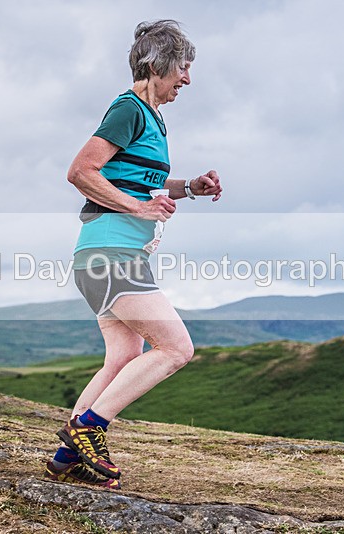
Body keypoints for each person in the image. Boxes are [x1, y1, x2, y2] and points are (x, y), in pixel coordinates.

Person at [45, 19, 223, 490]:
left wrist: (190, 188)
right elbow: (81, 171)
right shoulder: (128, 109)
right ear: (155, 65)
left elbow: (142, 183)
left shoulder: (152, 118)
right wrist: (139, 206)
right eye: (183, 67)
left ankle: (66, 458)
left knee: (125, 354)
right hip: (110, 252)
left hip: (110, 255)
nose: (187, 79)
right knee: (177, 348)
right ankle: (88, 429)